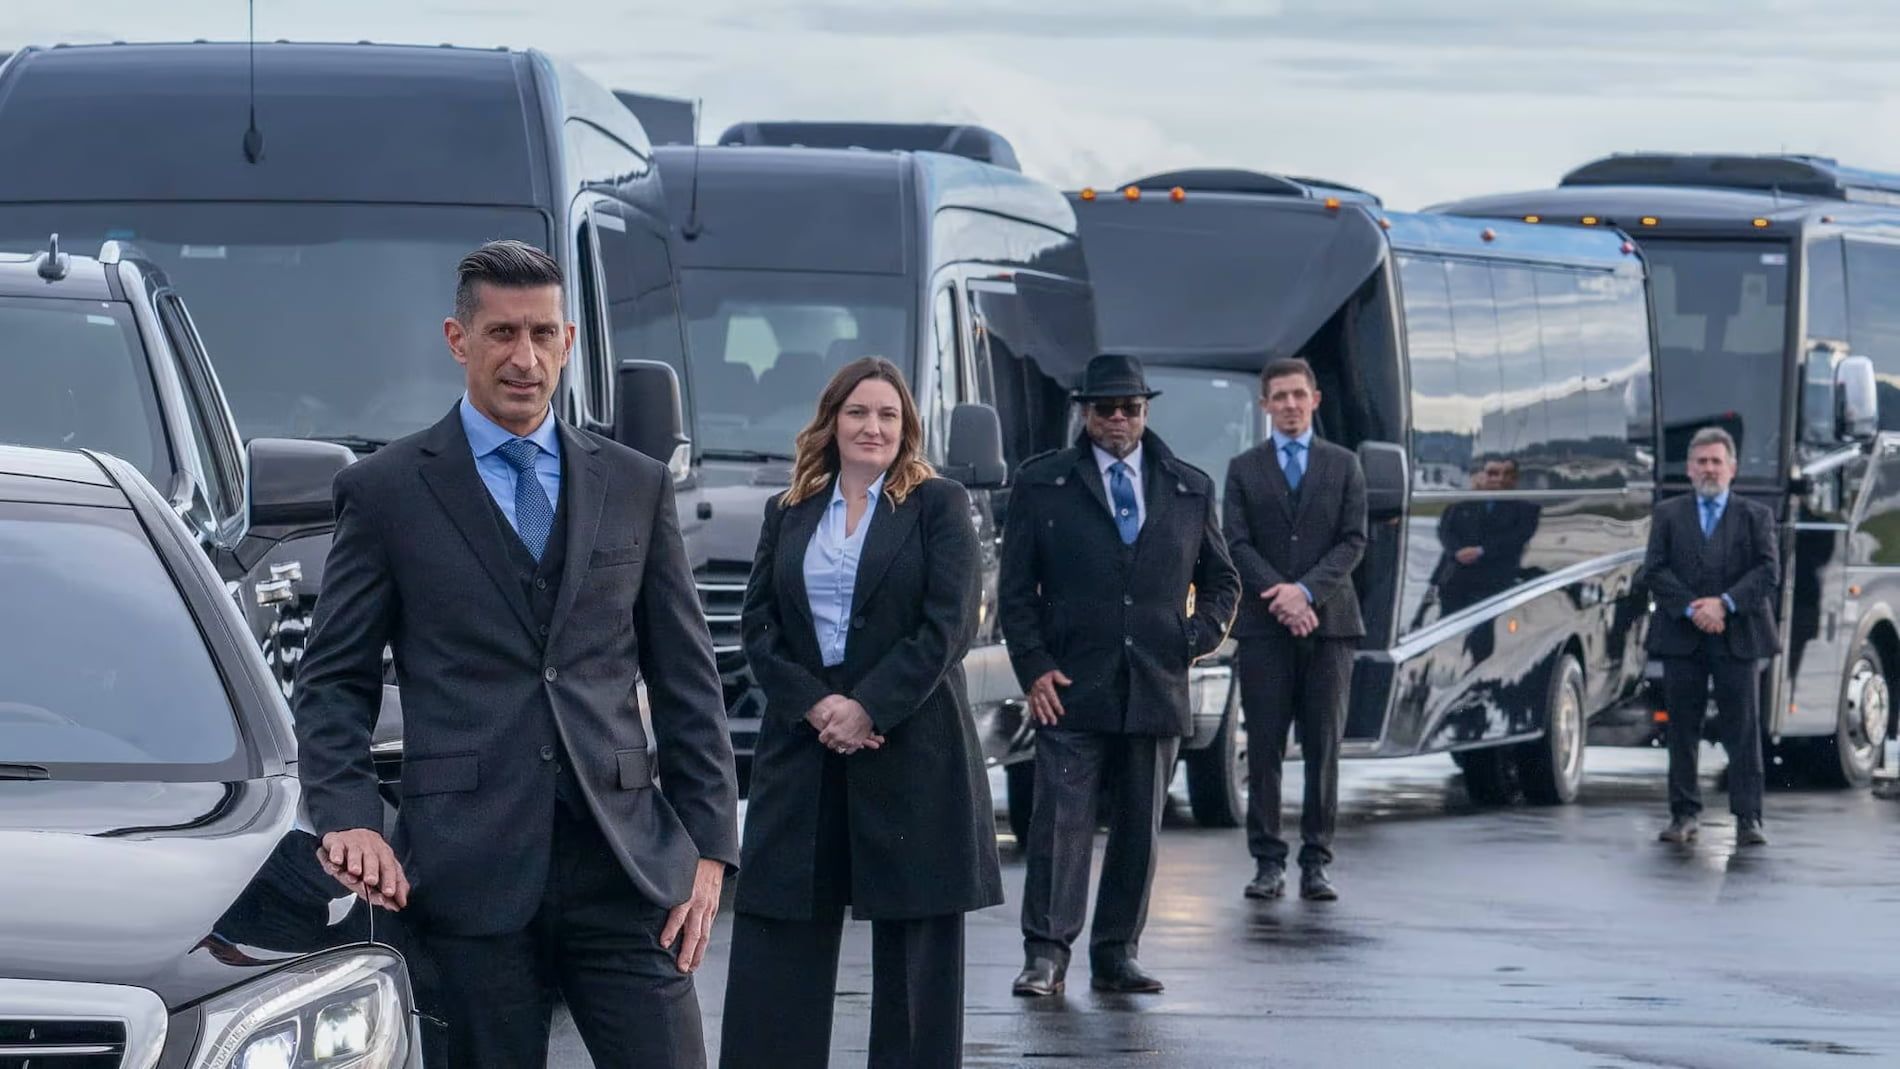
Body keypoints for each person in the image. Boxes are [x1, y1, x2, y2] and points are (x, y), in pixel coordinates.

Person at [292, 240, 739, 1068]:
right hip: (467, 869)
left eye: (541, 334)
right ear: (459, 339)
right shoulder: (386, 491)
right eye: (501, 334)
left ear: (569, 340)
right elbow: (330, 683)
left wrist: (710, 847)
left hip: (625, 862)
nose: (524, 359)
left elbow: (688, 681)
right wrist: (352, 818)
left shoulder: (636, 485)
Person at [721, 356, 1001, 1069]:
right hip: (802, 747)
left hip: (911, 748)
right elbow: (757, 626)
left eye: (887, 414)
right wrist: (817, 704)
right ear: (831, 422)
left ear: (906, 426)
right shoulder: (788, 510)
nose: (872, 426)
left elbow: (948, 625)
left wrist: (868, 705)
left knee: (915, 962)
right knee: (777, 937)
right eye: (858, 412)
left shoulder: (938, 503)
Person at [1000, 352, 1240, 997]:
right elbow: (1016, 590)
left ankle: (1116, 954)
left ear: (1145, 411)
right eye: (1103, 407)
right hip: (1070, 686)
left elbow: (1221, 579)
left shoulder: (1189, 486)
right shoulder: (1043, 483)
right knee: (1060, 824)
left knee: (1139, 828)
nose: (1116, 419)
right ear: (1084, 412)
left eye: (1128, 407)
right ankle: (1046, 953)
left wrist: (1195, 638)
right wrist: (1035, 667)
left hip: (1156, 684)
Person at [1222, 357, 1367, 902]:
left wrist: (1305, 593)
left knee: (1323, 746)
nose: (1288, 405)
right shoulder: (1243, 468)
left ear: (1315, 400)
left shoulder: (1344, 465)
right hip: (1264, 628)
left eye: (1297, 396)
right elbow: (1235, 543)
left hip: (1329, 627)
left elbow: (1353, 541)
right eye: (1278, 397)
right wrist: (1281, 597)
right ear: (1264, 406)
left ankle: (1317, 859)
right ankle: (1267, 861)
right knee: (1263, 746)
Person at [1643, 426, 1778, 846]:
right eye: (1701, 462)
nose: (1709, 469)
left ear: (1732, 469)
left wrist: (1724, 603)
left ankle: (1748, 818)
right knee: (1682, 729)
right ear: (1688, 468)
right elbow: (1655, 570)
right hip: (1683, 636)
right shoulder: (1667, 515)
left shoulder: (1756, 516)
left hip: (1738, 635)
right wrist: (1693, 608)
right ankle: (1683, 814)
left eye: (1716, 461)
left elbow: (1768, 572)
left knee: (1743, 729)